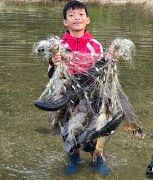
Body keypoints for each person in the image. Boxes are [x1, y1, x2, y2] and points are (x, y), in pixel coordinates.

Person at [48, 1, 110, 175]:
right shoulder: (58, 46)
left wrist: (110, 60)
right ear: (65, 22)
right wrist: (53, 63)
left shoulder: (95, 45)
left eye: (81, 14)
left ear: (88, 19)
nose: (77, 18)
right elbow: (51, 75)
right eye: (71, 15)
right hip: (67, 95)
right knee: (68, 128)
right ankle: (73, 156)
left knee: (93, 129)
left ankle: (97, 156)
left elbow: (101, 72)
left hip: (90, 95)